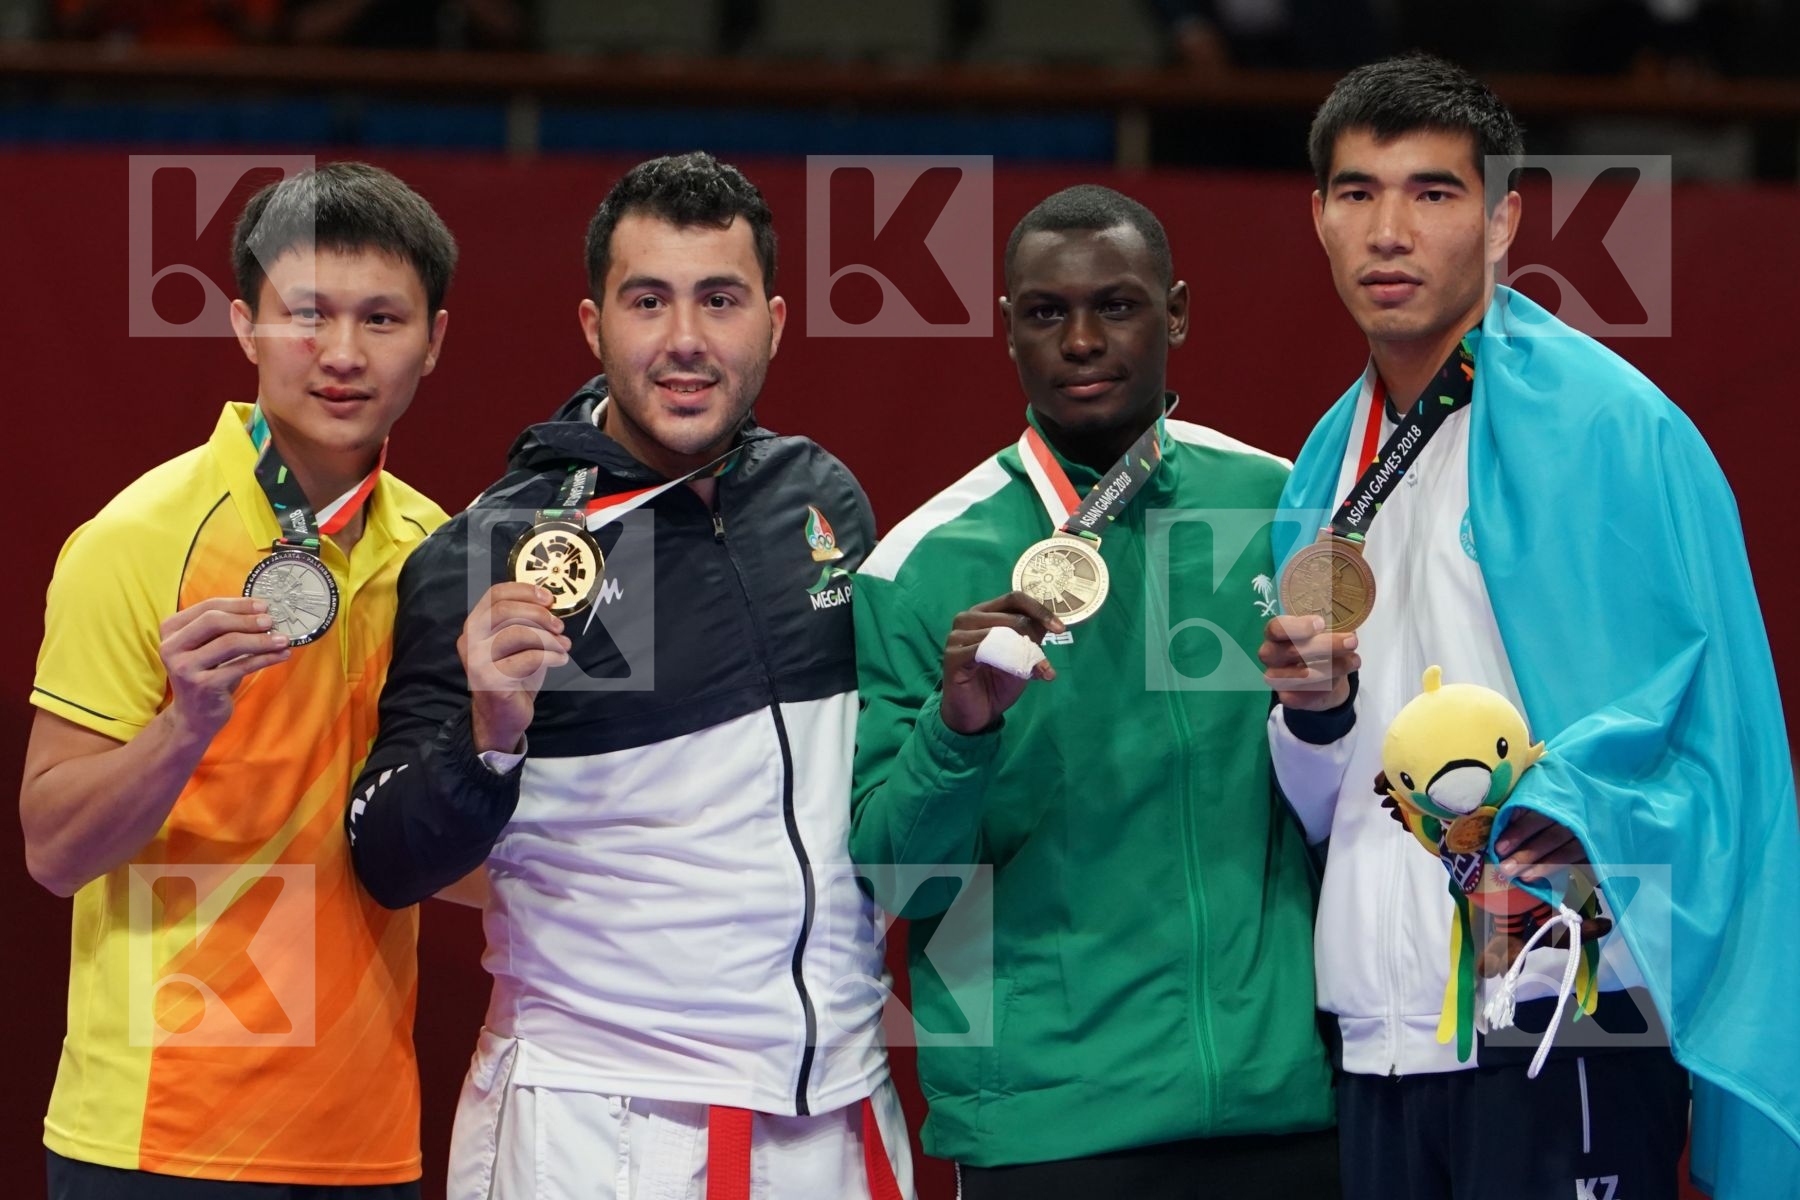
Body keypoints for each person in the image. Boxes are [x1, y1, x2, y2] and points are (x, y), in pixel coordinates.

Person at [1263, 52, 1800, 1200]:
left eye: (1434, 193)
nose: (1389, 231)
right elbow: (1328, 804)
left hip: (1565, 1002)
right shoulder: (1319, 469)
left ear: (1505, 220)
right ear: (1317, 219)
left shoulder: (1620, 431)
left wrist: (1575, 802)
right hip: (1382, 1024)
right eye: (1357, 193)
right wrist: (1314, 717)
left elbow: (1720, 735)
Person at [343, 151, 912, 1200]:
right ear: (593, 324)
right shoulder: (488, 553)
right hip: (602, 1119)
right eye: (648, 301)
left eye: (720, 300)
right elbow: (386, 858)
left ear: (776, 322)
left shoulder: (820, 499)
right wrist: (491, 735)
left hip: (834, 1103)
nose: (686, 340)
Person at [850, 184, 1336, 1199]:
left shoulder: (1282, 507)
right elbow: (896, 881)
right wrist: (957, 730)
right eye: (1045, 312)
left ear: (1179, 313)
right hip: (1050, 1128)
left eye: (1115, 305)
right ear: (1007, 331)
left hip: (1281, 1110)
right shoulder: (920, 564)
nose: (1080, 339)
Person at [20, 162, 456, 1198]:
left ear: (436, 340)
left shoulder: (442, 552)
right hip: (156, 1135)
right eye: (307, 314)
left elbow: (451, 863)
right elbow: (51, 850)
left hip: (364, 1139)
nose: (342, 354)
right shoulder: (135, 541)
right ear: (245, 325)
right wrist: (184, 728)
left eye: (382, 319)